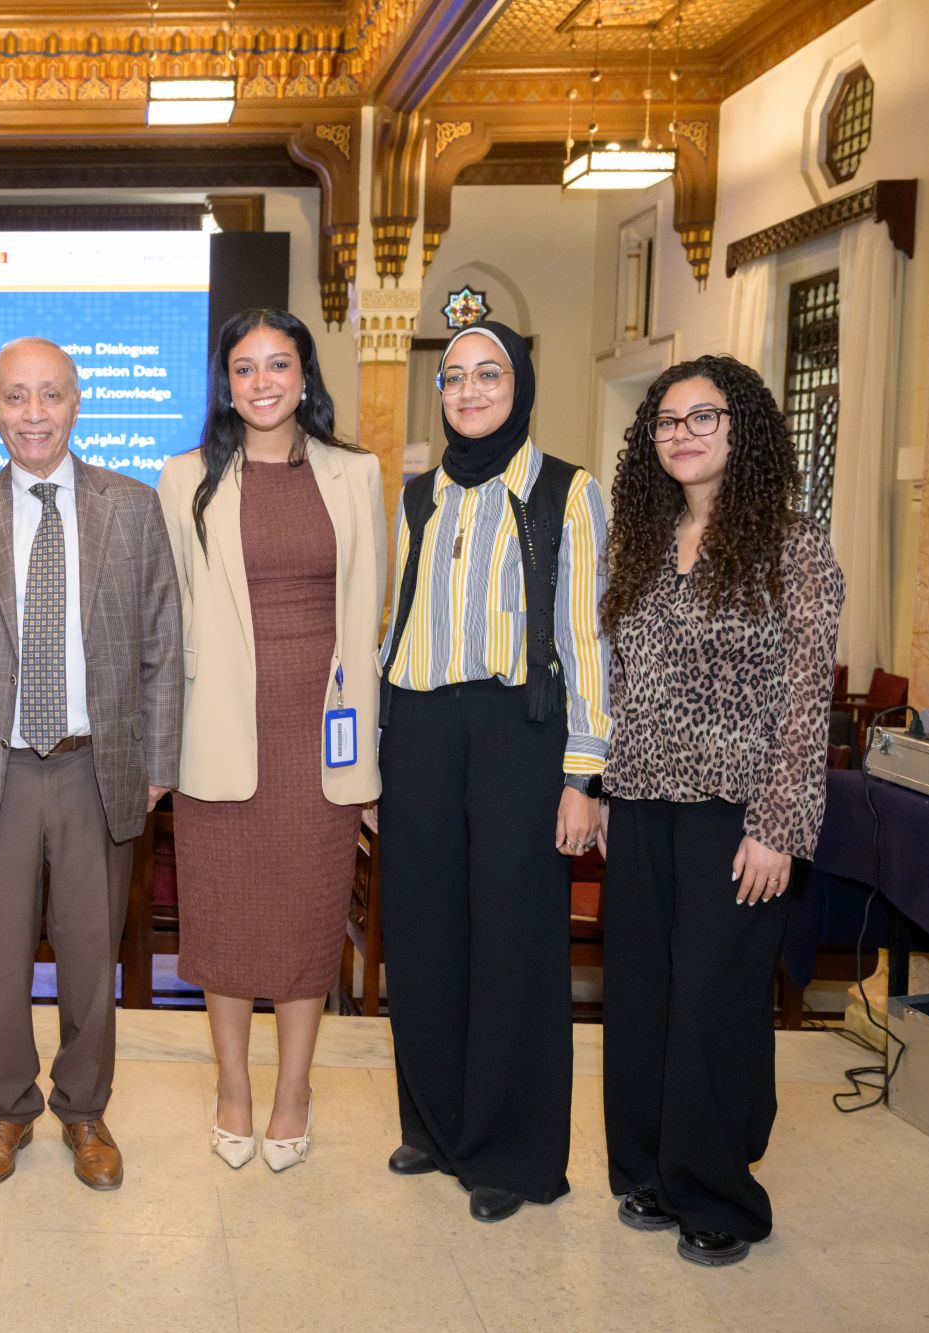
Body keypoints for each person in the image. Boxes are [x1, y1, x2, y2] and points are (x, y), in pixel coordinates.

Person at [0, 336, 182, 1191]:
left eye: (51, 394)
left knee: (90, 953)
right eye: (16, 396)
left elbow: (162, 646)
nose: (34, 413)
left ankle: (85, 1109)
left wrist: (157, 760)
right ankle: (7, 1109)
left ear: (77, 402)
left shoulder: (132, 508)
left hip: (95, 766)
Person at [598, 355, 844, 1267]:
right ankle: (651, 1170)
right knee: (644, 996)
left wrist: (780, 825)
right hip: (642, 802)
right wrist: (607, 789)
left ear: (743, 429)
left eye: (703, 417)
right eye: (667, 421)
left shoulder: (793, 544)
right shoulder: (642, 541)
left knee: (712, 1000)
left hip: (737, 815)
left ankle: (717, 1195)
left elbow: (808, 698)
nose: (683, 434)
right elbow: (623, 680)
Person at [377, 320, 611, 1222]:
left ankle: (511, 1154)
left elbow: (588, 642)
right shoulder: (416, 497)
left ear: (521, 388)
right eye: (455, 377)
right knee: (424, 934)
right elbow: (395, 623)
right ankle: (435, 1127)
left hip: (522, 731)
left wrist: (583, 776)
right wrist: (376, 757)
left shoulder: (567, 491)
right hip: (420, 731)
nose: (469, 391)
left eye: (489, 374)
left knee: (514, 942)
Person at [156, 309, 384, 1172]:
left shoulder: (356, 472)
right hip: (217, 727)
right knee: (224, 915)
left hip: (320, 733)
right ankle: (232, 1088)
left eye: (278, 364)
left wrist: (370, 755)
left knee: (306, 917)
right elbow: (171, 614)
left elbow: (370, 611)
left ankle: (294, 1089)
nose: (262, 382)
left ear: (304, 375)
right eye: (244, 367)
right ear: (225, 383)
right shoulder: (184, 477)